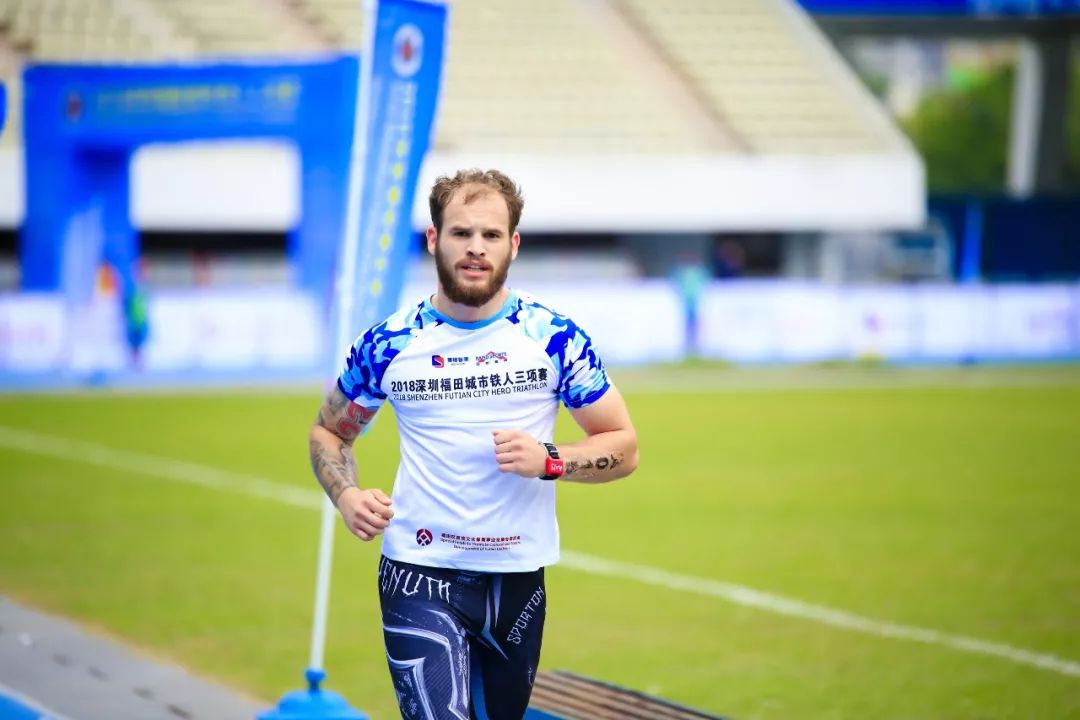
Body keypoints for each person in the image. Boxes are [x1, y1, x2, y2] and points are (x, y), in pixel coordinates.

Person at [308, 168, 639, 720]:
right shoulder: (390, 342)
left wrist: (550, 460)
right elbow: (330, 431)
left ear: (513, 244)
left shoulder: (553, 337)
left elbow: (623, 447)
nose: (476, 248)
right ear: (434, 239)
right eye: (461, 233)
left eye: (491, 235)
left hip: (518, 578)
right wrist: (346, 495)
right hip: (418, 571)